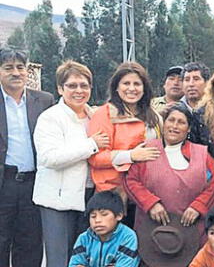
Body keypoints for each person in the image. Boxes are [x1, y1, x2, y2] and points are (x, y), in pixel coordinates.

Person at [124, 103, 214, 265]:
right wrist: (150, 203)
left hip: (191, 235)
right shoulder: (148, 150)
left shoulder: (201, 154)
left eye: (181, 122)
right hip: (153, 235)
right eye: (171, 120)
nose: (175, 126)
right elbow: (131, 181)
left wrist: (198, 206)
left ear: (189, 128)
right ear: (164, 123)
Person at [33, 61, 107, 267]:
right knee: (59, 259)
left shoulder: (95, 116)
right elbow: (50, 158)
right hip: (58, 200)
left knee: (84, 258)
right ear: (59, 88)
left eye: (84, 86)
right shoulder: (50, 118)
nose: (79, 91)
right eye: (72, 85)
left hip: (90, 197)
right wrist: (91, 144)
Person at [88, 62, 162, 226]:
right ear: (116, 87)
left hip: (147, 194)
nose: (131, 88)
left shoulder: (153, 116)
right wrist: (130, 156)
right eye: (126, 83)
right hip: (113, 195)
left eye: (137, 84)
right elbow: (96, 158)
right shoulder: (104, 114)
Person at [0, 48, 54, 267]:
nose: (16, 73)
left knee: (30, 244)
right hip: (4, 184)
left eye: (20, 67)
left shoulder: (44, 101)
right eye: (8, 68)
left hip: (34, 184)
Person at [68, 190, 140, 267]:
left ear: (119, 215)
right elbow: (75, 264)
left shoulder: (127, 237)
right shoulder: (84, 239)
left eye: (104, 214)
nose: (97, 220)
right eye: (93, 216)